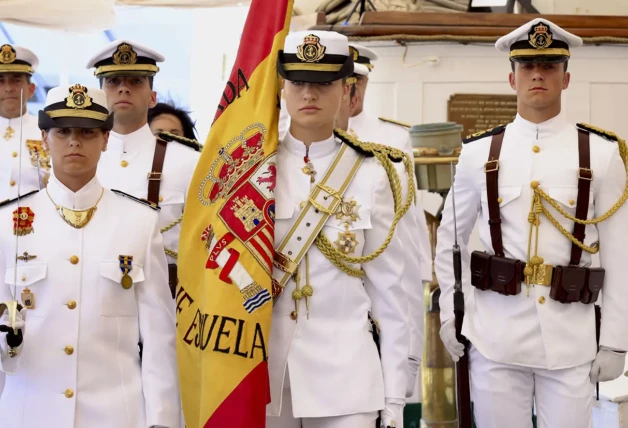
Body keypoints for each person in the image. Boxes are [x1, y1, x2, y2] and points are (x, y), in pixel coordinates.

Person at [435, 18, 628, 428]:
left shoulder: (602, 154)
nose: (537, 74)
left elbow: (620, 251)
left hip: (570, 340)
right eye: (527, 66)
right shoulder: (478, 153)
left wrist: (616, 341)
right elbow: (449, 241)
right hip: (495, 338)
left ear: (566, 77)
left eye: (549, 65)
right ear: (512, 77)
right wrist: (453, 314)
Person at [0, 84, 180, 427]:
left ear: (106, 139)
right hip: (28, 413)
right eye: (63, 131)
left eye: (86, 132)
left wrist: (163, 419)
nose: (74, 142)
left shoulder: (139, 222)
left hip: (116, 414)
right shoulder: (7, 223)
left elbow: (159, 336)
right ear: (44, 137)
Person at [267, 30, 411, 428]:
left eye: (323, 83)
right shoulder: (256, 171)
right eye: (298, 82)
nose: (308, 94)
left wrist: (395, 397)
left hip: (347, 378)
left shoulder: (376, 174)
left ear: (346, 90)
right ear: (283, 88)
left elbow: (393, 295)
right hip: (264, 376)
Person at [335, 61, 426, 400]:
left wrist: (410, 351)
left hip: (376, 290)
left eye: (356, 81)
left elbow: (409, 228)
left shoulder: (393, 139)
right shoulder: (287, 138)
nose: (352, 91)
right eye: (344, 82)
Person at [86, 40, 201, 298]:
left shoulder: (187, 162)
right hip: (95, 299)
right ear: (100, 97)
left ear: (152, 97)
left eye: (136, 81)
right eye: (114, 82)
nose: (124, 89)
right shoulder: (80, 161)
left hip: (167, 300)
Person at [0, 44, 49, 202]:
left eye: (16, 80)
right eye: (1, 81)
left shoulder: (48, 132)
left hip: (33, 222)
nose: (8, 88)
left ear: (31, 89)